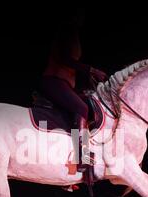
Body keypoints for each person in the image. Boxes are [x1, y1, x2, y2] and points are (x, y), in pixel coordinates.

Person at [40, 11, 107, 172]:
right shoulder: (66, 30)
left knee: (91, 105)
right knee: (81, 108)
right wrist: (91, 70)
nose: (81, 18)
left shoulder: (73, 33)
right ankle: (82, 156)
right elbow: (64, 58)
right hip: (53, 81)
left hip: (65, 85)